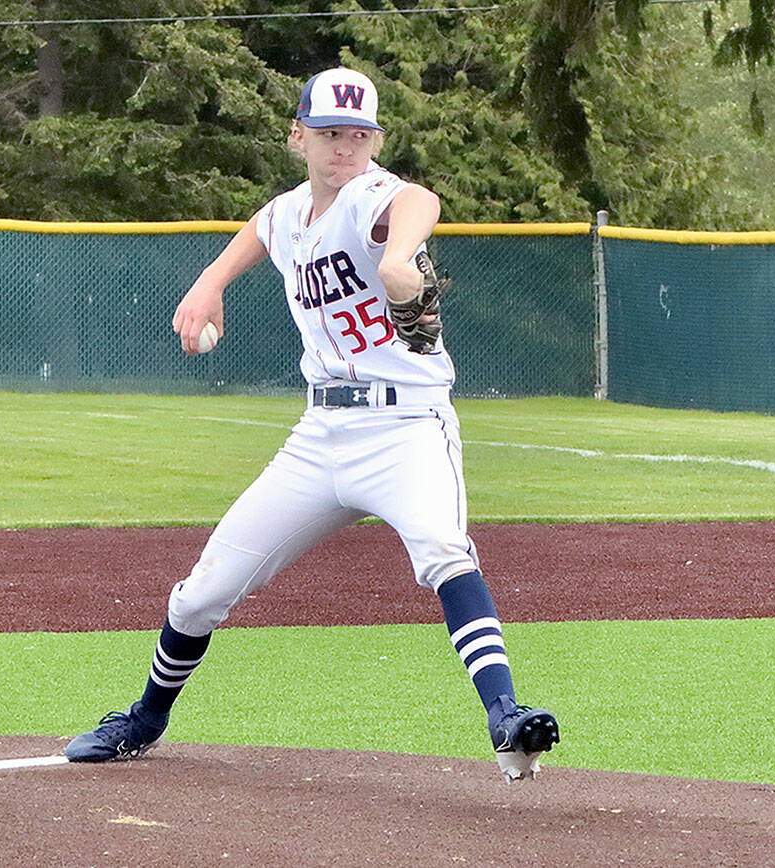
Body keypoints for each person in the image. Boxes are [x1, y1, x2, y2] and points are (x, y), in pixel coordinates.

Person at [65, 66, 559, 781]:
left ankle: (505, 716)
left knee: (445, 551)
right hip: (319, 435)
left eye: (360, 134)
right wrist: (209, 282)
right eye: (331, 133)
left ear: (374, 141)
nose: (345, 147)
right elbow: (262, 229)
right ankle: (144, 718)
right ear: (298, 135)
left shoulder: (369, 197)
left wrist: (396, 255)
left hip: (406, 428)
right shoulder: (291, 211)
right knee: (203, 591)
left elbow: (419, 198)